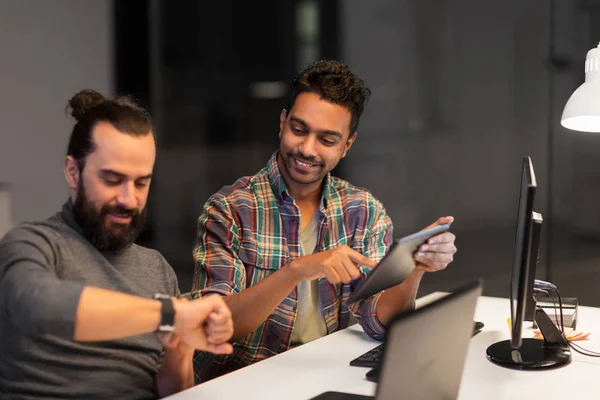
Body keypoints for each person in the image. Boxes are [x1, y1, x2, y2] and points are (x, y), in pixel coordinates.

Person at [191, 60, 457, 382]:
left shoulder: (363, 211)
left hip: (326, 376)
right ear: (282, 122)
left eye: (327, 140)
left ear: (347, 146)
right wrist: (297, 270)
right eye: (298, 130)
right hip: (246, 383)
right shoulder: (230, 209)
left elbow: (377, 320)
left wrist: (415, 267)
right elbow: (216, 327)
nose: (306, 149)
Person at [0, 89, 234, 399]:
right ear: (73, 172)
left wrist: (183, 345)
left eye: (141, 183)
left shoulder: (156, 269)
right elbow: (38, 306)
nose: (128, 199)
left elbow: (173, 390)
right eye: (112, 180)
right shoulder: (32, 244)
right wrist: (169, 315)